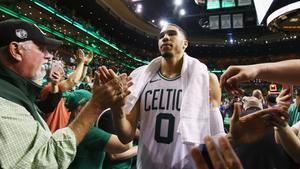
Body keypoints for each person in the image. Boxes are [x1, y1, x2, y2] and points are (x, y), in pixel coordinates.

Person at [98, 24, 288, 169]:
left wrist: (234, 139)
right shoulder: (140, 78)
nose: (165, 37)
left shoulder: (207, 80)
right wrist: (117, 107)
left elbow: (216, 135)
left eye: (171, 34)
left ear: (185, 43)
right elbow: (125, 136)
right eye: (161, 36)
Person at [0, 19, 131, 168]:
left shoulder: (17, 92)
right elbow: (43, 163)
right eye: (41, 48)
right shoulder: (4, 103)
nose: (49, 56)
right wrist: (96, 104)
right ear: (16, 51)